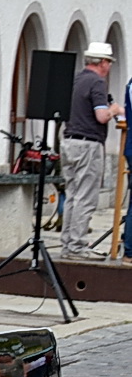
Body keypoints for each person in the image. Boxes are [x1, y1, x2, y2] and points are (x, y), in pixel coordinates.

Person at [60, 41, 123, 259]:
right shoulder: (97, 82)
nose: (109, 67)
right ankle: (77, 246)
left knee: (72, 195)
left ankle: (68, 244)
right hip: (88, 144)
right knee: (86, 197)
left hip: (69, 141)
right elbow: (101, 116)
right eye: (109, 62)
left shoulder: (77, 79)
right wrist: (114, 109)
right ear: (103, 62)